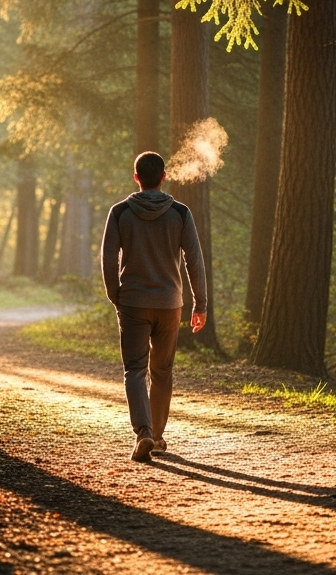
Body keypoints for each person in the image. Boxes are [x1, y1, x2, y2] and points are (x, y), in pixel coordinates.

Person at [101, 151, 207, 462]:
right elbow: (194, 261)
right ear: (163, 177)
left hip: (133, 302)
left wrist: (116, 296)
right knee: (162, 371)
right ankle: (157, 437)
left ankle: (144, 433)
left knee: (135, 370)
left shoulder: (120, 212)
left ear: (136, 178)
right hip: (170, 304)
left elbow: (108, 260)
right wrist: (200, 303)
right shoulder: (180, 213)